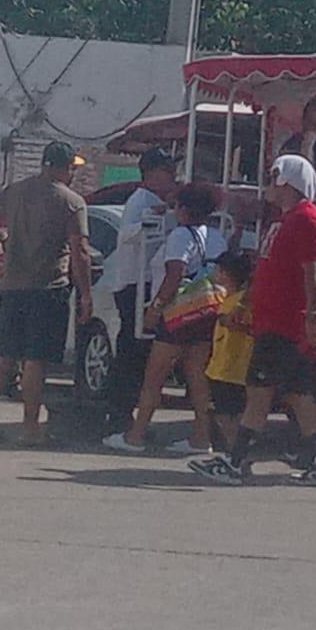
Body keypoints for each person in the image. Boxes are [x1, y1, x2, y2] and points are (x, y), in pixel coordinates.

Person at [189, 155, 316, 487]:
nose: (271, 183)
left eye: (275, 177)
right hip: (270, 321)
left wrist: (314, 316)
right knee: (294, 393)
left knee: (263, 392)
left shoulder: (308, 220)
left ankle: (236, 462)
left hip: (286, 323)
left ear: (290, 181)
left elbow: (313, 272)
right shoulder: (284, 221)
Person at [0, 142, 93, 445]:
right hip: (48, 288)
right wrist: (86, 294)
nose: (73, 174)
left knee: (3, 355)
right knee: (35, 359)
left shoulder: (15, 191)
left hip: (12, 286)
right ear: (63, 167)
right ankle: (29, 427)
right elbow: (80, 251)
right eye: (72, 168)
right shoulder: (71, 202)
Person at [105, 183, 220, 454]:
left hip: (177, 316)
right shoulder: (216, 236)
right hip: (204, 313)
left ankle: (136, 435)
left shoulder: (180, 235)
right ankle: (202, 438)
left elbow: (174, 274)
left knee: (154, 377)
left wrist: (155, 308)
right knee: (198, 379)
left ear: (184, 209)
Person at [104, 148, 178, 437]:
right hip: (135, 285)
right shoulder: (140, 201)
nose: (172, 176)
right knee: (132, 354)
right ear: (151, 173)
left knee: (146, 355)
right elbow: (128, 235)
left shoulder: (162, 203)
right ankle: (119, 414)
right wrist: (153, 216)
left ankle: (131, 415)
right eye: (166, 170)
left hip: (152, 283)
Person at [204, 250, 255, 451]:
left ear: (225, 273)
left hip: (230, 368)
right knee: (229, 411)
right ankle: (234, 448)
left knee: (227, 413)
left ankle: (236, 450)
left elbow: (239, 325)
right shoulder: (231, 298)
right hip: (228, 366)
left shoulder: (238, 302)